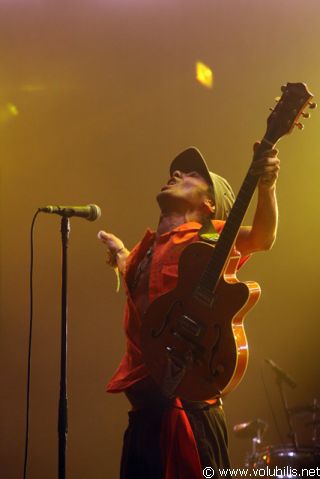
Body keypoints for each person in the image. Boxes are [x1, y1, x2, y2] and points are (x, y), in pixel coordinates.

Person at [98, 144, 280, 479]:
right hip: (143, 411)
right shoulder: (146, 247)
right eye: (177, 171)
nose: (177, 174)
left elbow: (261, 238)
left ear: (209, 204)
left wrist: (266, 188)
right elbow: (144, 294)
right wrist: (122, 253)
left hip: (188, 409)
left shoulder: (209, 236)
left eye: (192, 174)